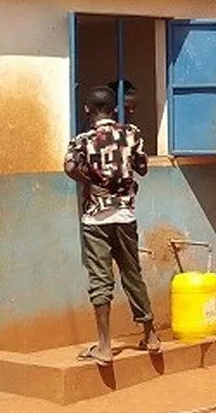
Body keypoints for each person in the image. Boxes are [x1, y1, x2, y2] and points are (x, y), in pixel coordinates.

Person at [63, 86, 160, 364]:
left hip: (96, 218)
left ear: (87, 111)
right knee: (132, 273)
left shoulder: (82, 140)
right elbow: (142, 167)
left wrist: (91, 183)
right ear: (114, 109)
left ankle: (104, 346)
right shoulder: (131, 134)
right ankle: (150, 335)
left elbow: (69, 167)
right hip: (125, 215)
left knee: (100, 280)